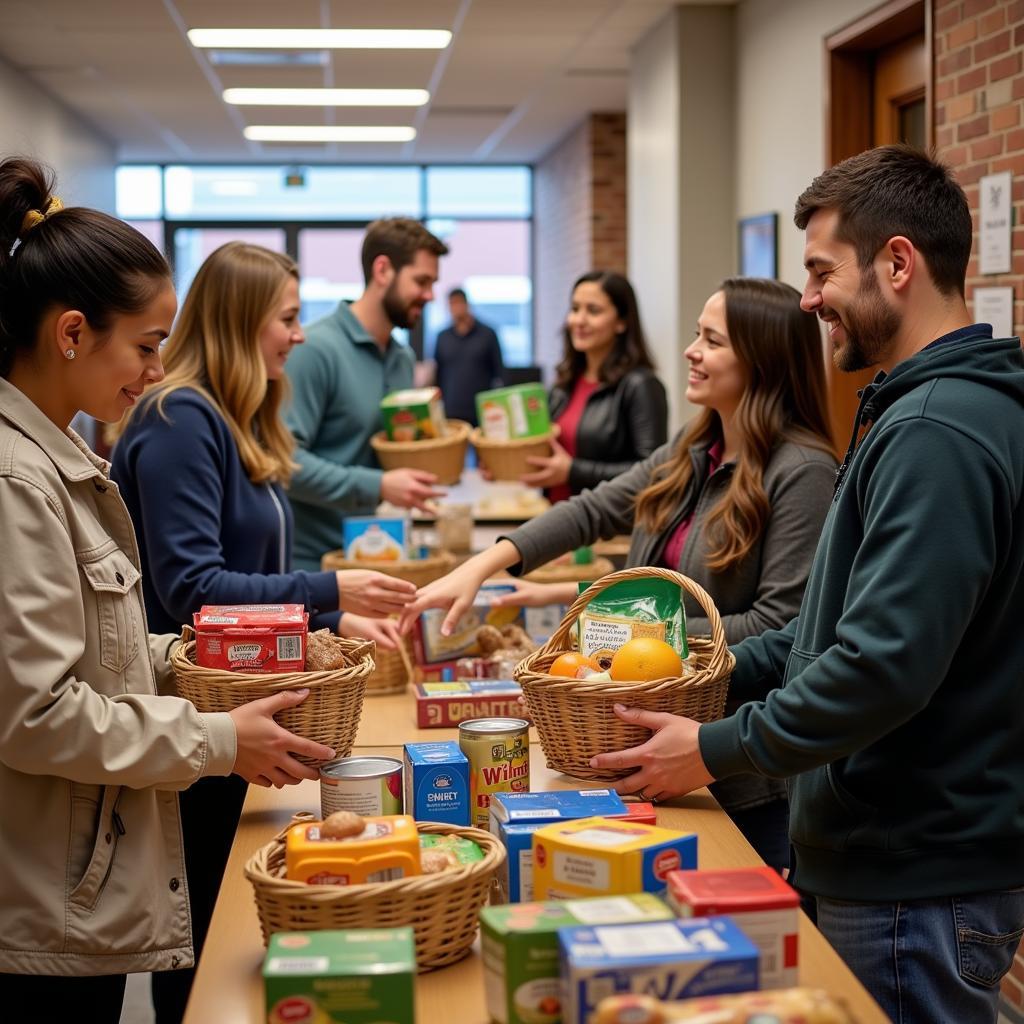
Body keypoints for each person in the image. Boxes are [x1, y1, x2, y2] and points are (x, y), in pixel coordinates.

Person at [590, 146, 1024, 1023]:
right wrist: (702, 676)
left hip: (913, 874)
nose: (811, 298)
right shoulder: (916, 410)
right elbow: (818, 637)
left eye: (823, 271)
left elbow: (879, 668)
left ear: (897, 263)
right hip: (900, 862)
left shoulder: (937, 430)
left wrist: (711, 749)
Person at [0, 158, 333, 1021]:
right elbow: (36, 712)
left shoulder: (61, 457)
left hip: (71, 880)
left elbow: (100, 647)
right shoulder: (18, 482)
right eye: (145, 347)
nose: (154, 373)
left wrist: (201, 657)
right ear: (72, 334)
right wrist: (219, 734)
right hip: (41, 898)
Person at [401, 277, 837, 870]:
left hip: (733, 778)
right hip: (643, 748)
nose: (691, 350)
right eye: (696, 335)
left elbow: (779, 625)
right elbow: (593, 509)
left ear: (762, 360)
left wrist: (627, 636)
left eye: (711, 340)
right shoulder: (692, 450)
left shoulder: (803, 470)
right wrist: (484, 563)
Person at [108, 241, 413, 1023]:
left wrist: (335, 618)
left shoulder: (232, 419)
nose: (300, 334)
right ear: (241, 323)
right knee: (208, 937)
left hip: (239, 715)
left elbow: (245, 592)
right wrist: (327, 588)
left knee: (232, 922)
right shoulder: (178, 421)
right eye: (286, 317)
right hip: (194, 718)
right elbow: (194, 591)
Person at [284, 217, 450, 570]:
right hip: (309, 564)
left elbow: (386, 451)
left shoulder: (402, 359)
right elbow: (286, 462)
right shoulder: (314, 349)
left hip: (371, 551)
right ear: (383, 270)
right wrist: (379, 485)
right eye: (421, 281)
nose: (430, 295)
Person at [523, 270, 668, 502]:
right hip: (555, 523)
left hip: (607, 531)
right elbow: (550, 453)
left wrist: (572, 472)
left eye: (593, 311)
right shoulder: (564, 384)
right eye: (575, 308)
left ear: (621, 322)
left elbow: (653, 472)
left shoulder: (640, 385)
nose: (579, 320)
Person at [433, 286, 503, 426]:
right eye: (451, 304)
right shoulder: (442, 337)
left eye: (458, 303)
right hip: (452, 411)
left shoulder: (487, 334)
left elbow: (500, 372)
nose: (455, 308)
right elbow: (438, 374)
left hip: (482, 410)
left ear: (466, 304)